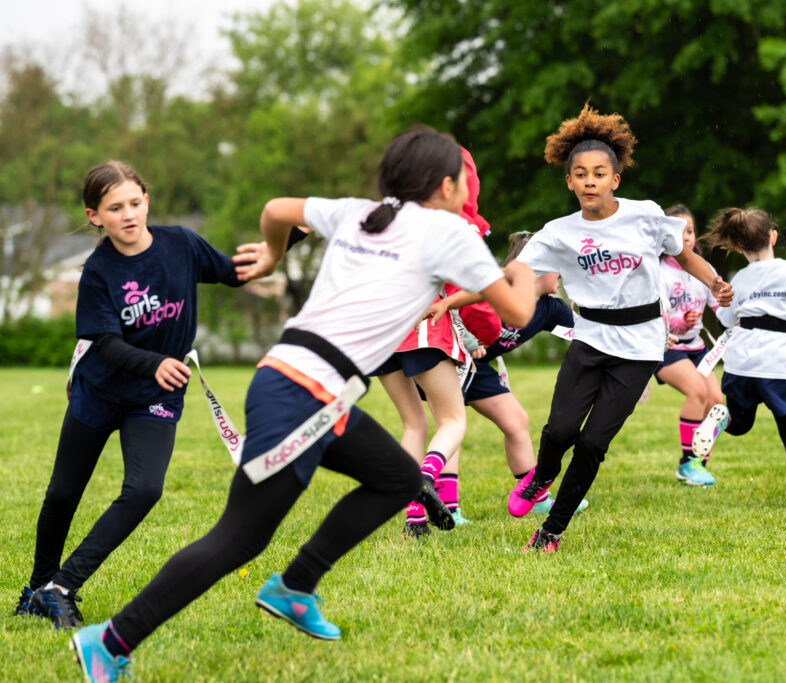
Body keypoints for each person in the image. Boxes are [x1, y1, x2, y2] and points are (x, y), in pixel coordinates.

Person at [69, 125, 536, 682]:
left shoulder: (359, 212)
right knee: (237, 539)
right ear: (447, 184)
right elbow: (518, 314)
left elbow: (277, 209)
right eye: (467, 177)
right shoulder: (450, 233)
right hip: (303, 396)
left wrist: (269, 254)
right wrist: (528, 267)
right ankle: (111, 640)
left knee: (396, 478)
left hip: (302, 386)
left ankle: (296, 586)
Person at [13, 161, 297, 630]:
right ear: (94, 216)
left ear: (147, 200)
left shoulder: (181, 245)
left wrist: (291, 237)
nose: (128, 214)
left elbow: (233, 272)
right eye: (114, 208)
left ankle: (62, 587)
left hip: (154, 398)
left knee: (145, 489)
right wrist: (155, 362)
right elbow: (105, 341)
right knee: (63, 493)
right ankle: (37, 588)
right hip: (99, 391)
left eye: (134, 202)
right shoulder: (99, 271)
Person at [504, 103, 733, 552]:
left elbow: (684, 256)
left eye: (599, 173)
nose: (591, 181)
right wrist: (455, 298)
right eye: (582, 174)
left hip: (641, 345)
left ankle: (551, 531)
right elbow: (509, 275)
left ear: (615, 180)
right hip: (589, 339)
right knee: (559, 432)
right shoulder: (558, 232)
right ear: (569, 181)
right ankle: (540, 477)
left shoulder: (646, 214)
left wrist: (715, 282)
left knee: (591, 444)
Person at [369, 147, 499, 535]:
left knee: (412, 424)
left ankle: (413, 517)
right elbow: (472, 290)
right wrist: (488, 334)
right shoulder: (451, 225)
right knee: (453, 419)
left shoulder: (383, 219)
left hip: (380, 333)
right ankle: (426, 477)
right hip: (425, 325)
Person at [427, 231, 588, 516]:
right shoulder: (497, 292)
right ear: (535, 269)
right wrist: (468, 341)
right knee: (453, 426)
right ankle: (448, 507)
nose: (561, 274)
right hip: (448, 361)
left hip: (479, 369)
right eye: (556, 266)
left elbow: (587, 335)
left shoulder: (551, 309)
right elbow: (452, 308)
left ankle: (535, 498)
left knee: (516, 420)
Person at [690, 208, 786, 508]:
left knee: (740, 424)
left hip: (741, 364)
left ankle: (720, 419)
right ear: (773, 236)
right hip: (777, 366)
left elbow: (727, 320)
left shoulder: (739, 278)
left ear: (738, 246)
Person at [654, 204, 724, 487]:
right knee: (697, 392)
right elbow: (658, 318)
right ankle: (687, 465)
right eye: (679, 232)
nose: (686, 238)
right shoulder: (659, 271)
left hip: (696, 347)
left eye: (691, 231)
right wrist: (680, 323)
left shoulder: (704, 269)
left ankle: (699, 464)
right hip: (667, 348)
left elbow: (721, 308)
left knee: (717, 402)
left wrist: (741, 320)